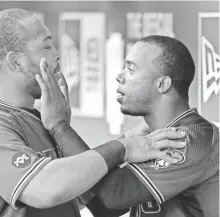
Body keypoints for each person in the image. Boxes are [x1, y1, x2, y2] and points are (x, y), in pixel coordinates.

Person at [0, 9, 186, 217]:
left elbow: (97, 200)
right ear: (16, 62)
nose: (57, 55)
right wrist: (124, 148)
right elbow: (44, 189)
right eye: (46, 47)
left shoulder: (41, 119)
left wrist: (127, 139)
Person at [76, 36, 219, 217]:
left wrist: (60, 126)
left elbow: (114, 194)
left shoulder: (194, 138)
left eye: (130, 69)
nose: (119, 76)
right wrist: (126, 141)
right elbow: (104, 208)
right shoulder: (151, 139)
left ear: (162, 84)